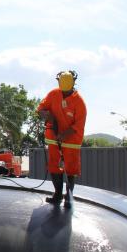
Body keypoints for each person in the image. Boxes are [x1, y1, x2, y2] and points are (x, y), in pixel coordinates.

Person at [37, 70, 87, 207]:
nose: (64, 94)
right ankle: (57, 194)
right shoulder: (53, 94)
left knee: (70, 170)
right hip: (53, 140)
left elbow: (78, 125)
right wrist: (48, 116)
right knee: (54, 167)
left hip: (71, 142)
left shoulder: (79, 103)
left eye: (66, 92)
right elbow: (40, 109)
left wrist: (63, 135)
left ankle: (69, 197)